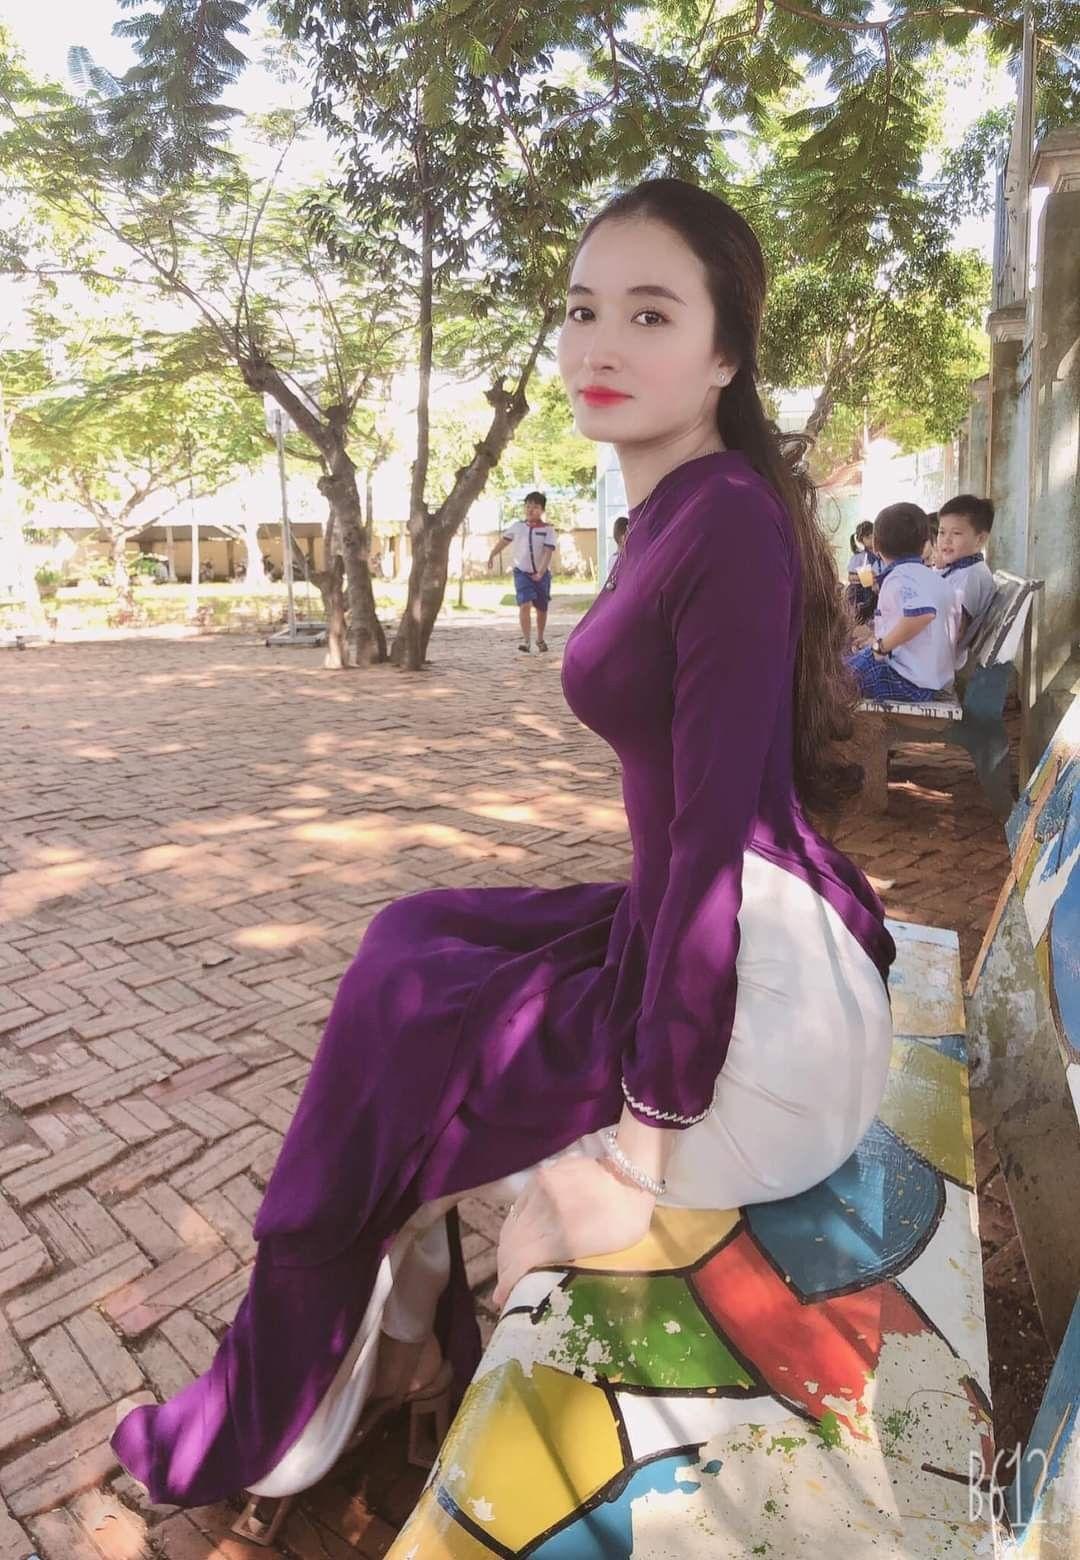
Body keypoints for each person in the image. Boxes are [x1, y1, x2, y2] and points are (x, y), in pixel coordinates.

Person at [111, 177, 896, 1527]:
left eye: (650, 314)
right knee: (409, 948)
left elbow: (712, 841)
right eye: (583, 310)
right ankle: (392, 1342)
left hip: (764, 1028)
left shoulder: (726, 524)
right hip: (709, 924)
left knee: (411, 1031)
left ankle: (323, 1380)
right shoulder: (677, 505)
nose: (600, 345)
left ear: (725, 353)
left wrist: (650, 1134)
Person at [847, 503, 955, 702]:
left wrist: (880, 646)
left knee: (837, 678)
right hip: (931, 681)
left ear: (876, 545)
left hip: (907, 683)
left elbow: (923, 614)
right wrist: (875, 640)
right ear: (925, 544)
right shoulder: (932, 577)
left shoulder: (901, 576)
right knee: (852, 659)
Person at [487, 493, 557, 652]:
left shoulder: (548, 529)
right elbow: (503, 542)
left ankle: (540, 638)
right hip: (522, 573)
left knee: (541, 608)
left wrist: (541, 573)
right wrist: (492, 555)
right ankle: (526, 641)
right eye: (528, 506)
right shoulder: (517, 527)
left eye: (535, 507)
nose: (531, 510)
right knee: (525, 604)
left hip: (542, 575)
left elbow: (548, 553)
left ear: (542, 510)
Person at [936, 494, 995, 668]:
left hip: (937, 666)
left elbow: (953, 631)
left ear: (980, 539)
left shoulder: (971, 576)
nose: (946, 540)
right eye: (941, 532)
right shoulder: (960, 569)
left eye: (956, 533)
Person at [845, 520, 881, 626]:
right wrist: (867, 578)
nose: (872, 539)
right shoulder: (859, 557)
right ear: (861, 540)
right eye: (868, 537)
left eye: (874, 535)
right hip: (865, 591)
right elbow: (850, 577)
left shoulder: (883, 554)